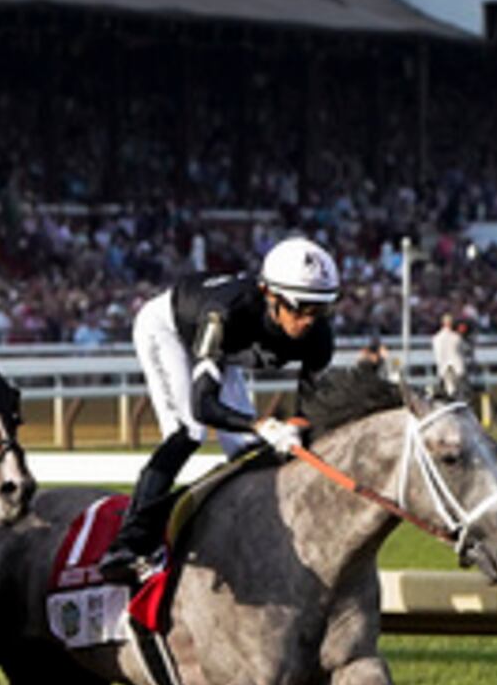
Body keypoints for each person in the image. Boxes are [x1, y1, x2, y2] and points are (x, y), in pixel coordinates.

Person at [109, 237, 341, 583]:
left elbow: (306, 411)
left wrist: (292, 429)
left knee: (247, 452)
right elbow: (204, 405)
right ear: (270, 295)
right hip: (169, 328)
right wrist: (260, 423)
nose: (308, 320)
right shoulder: (226, 315)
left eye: (319, 309)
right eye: (299, 307)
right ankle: (129, 544)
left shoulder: (319, 340)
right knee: (188, 432)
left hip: (226, 350)